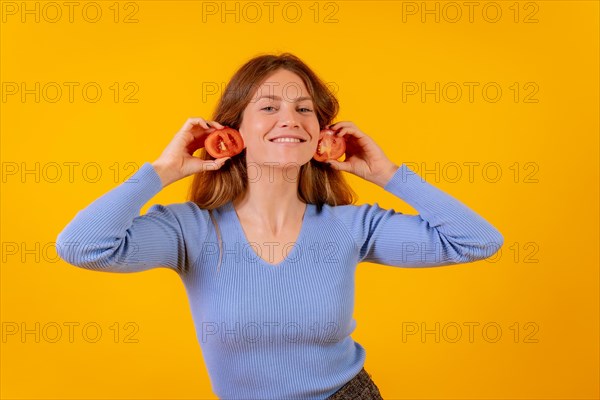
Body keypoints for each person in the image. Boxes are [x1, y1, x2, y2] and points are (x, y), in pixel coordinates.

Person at [56, 53, 504, 399]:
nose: (290, 118)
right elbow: (82, 246)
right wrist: (164, 168)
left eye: (305, 109)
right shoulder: (187, 232)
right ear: (234, 129)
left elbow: (477, 241)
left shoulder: (351, 226)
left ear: (321, 134)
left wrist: (389, 175)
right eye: (269, 106)